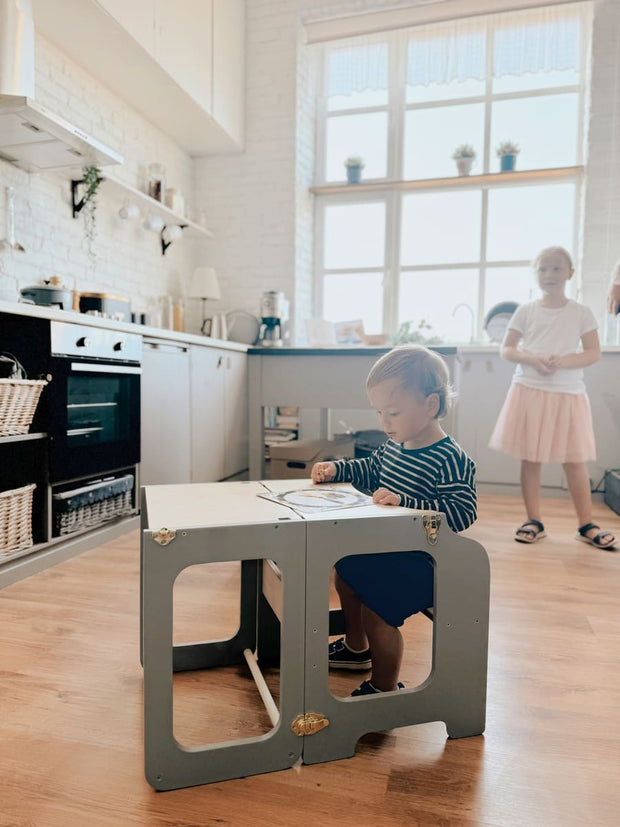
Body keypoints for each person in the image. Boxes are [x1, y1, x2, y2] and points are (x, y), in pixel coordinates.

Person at [310, 345, 477, 696]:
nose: (383, 423)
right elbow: (371, 468)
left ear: (430, 405)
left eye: (394, 413)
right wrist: (337, 468)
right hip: (392, 550)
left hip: (426, 560)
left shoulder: (450, 457)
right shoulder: (398, 445)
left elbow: (462, 513)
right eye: (379, 412)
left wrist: (406, 502)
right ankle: (358, 649)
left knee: (376, 609)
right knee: (344, 570)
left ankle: (384, 687)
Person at [489, 246, 616, 549]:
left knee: (574, 461)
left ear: (570, 273)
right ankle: (534, 520)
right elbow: (507, 349)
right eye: (543, 269)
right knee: (531, 459)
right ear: (536, 274)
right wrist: (532, 359)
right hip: (529, 391)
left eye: (557, 268)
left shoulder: (581, 312)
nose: (550, 274)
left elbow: (592, 352)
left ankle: (586, 524)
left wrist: (563, 361)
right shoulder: (526, 310)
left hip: (568, 394)